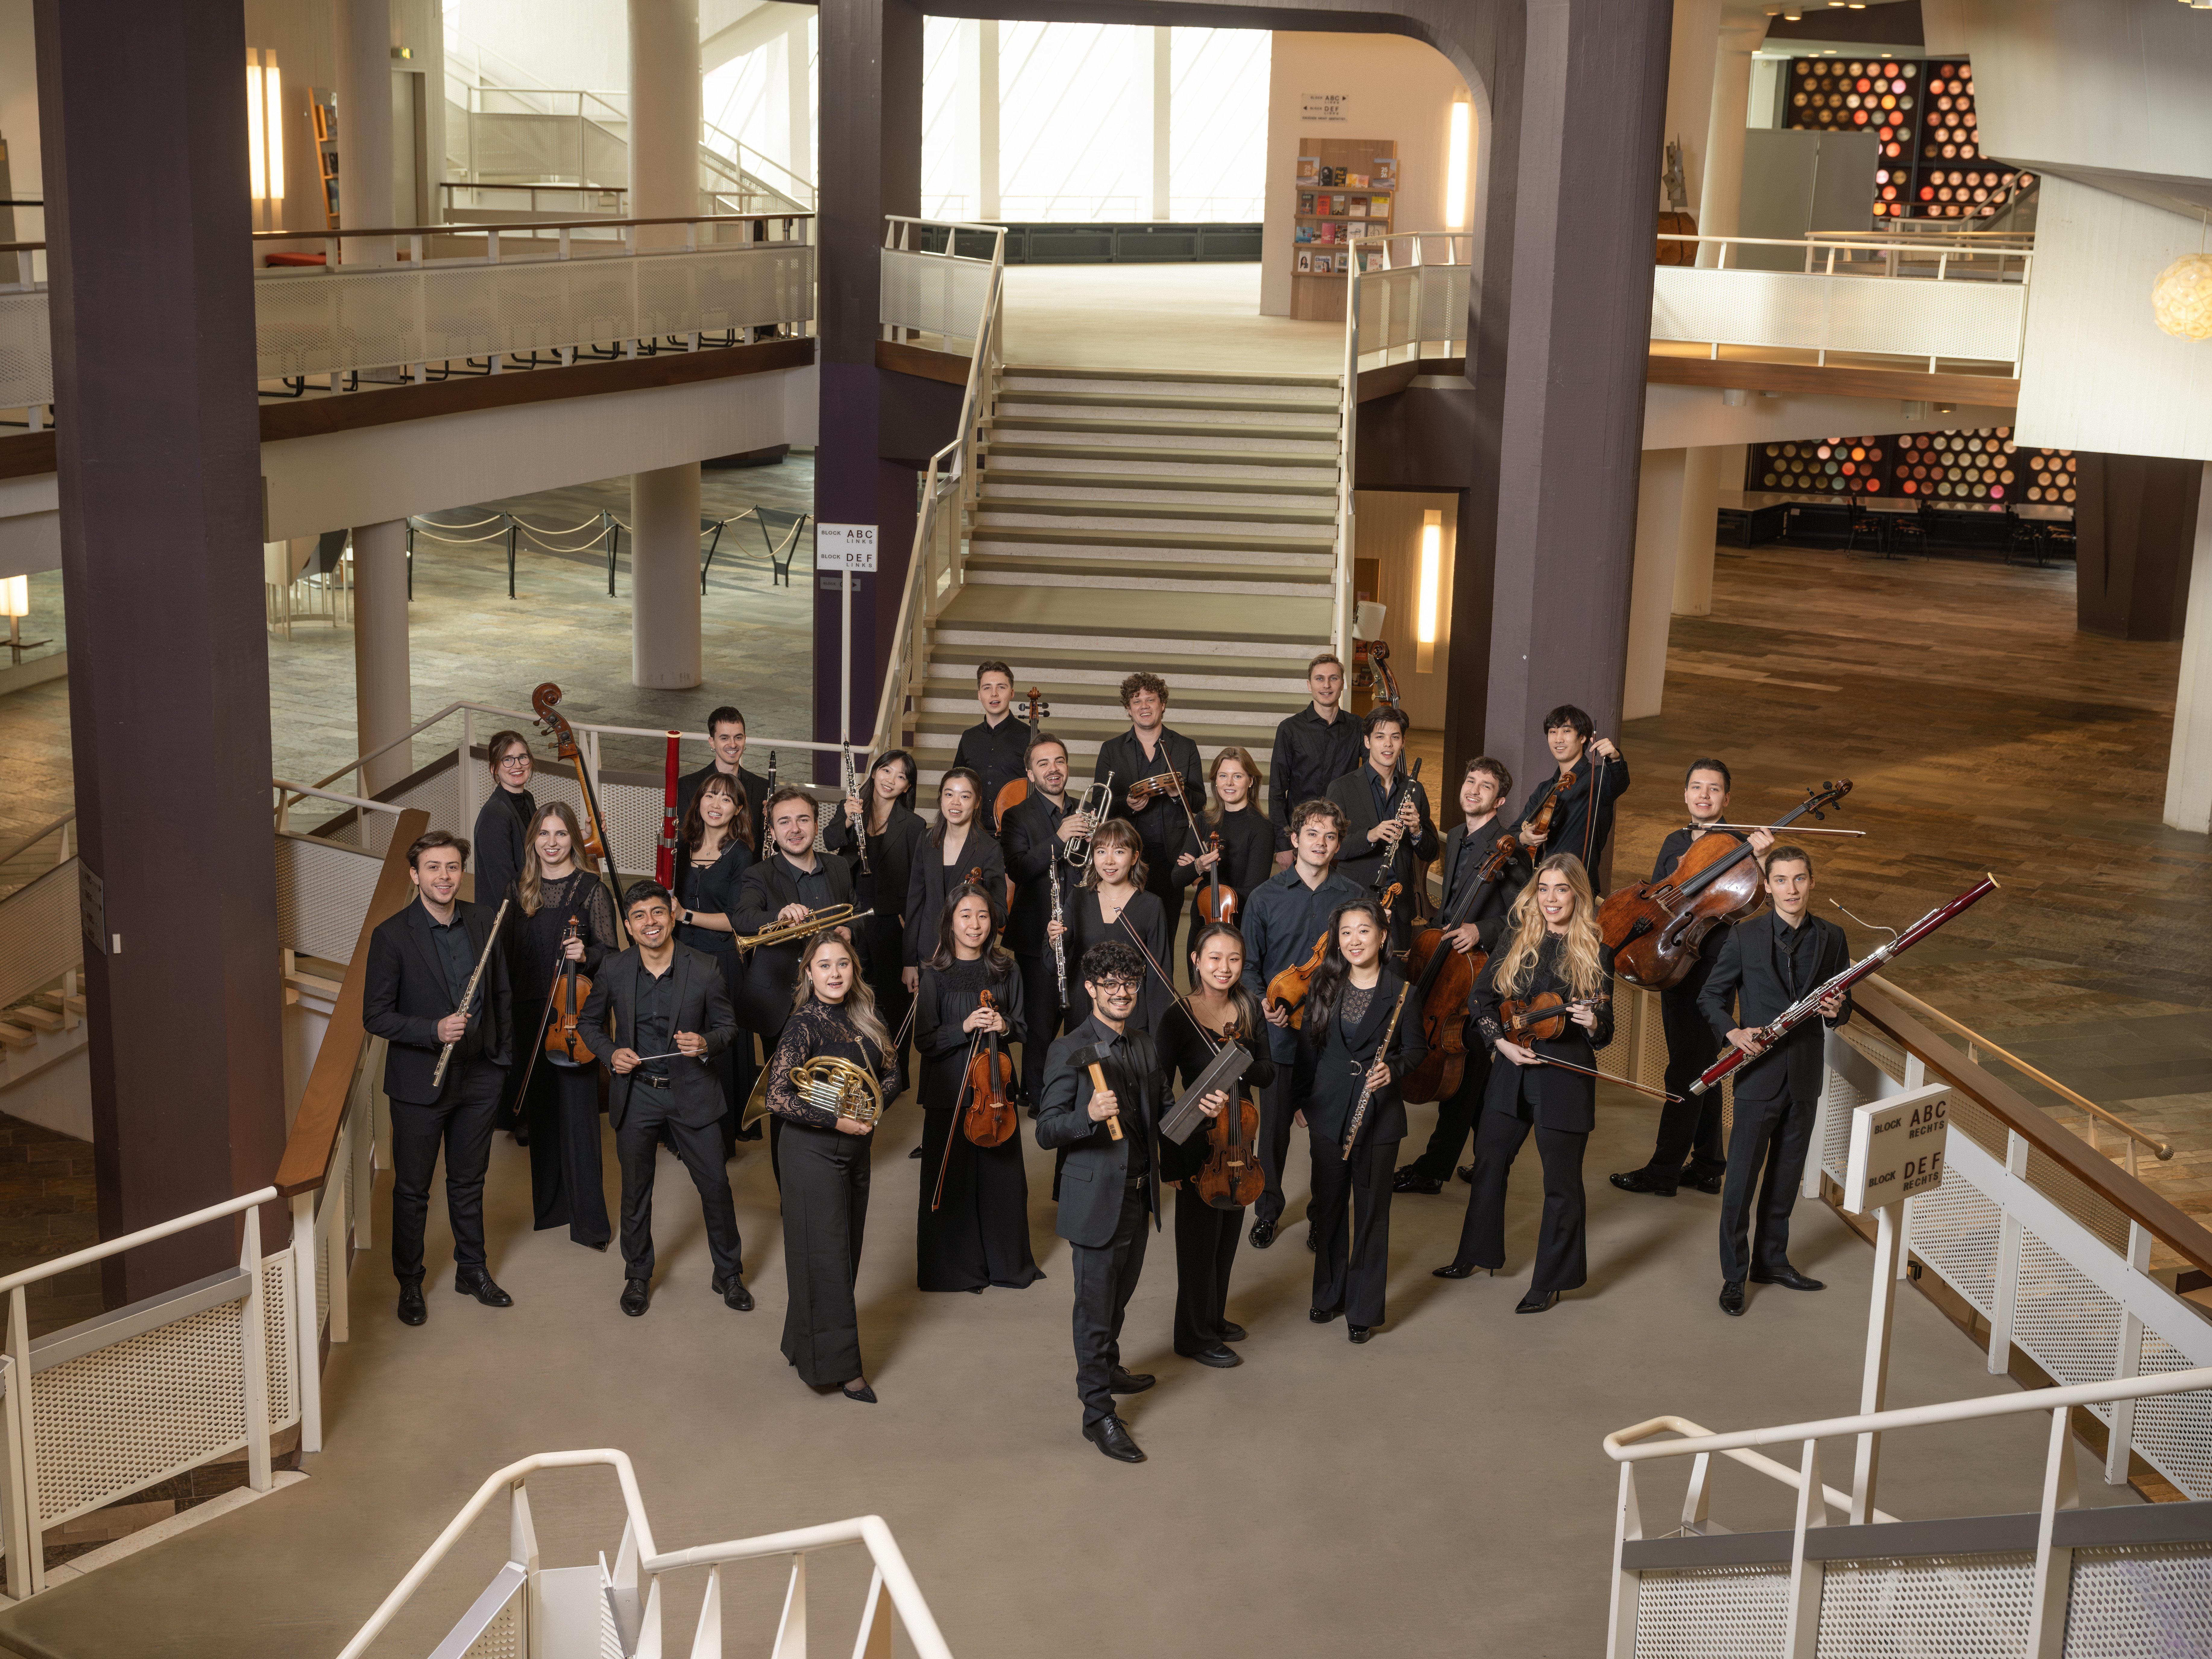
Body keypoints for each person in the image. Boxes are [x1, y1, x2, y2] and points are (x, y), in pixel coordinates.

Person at [1438, 854, 1615, 1314]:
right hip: (1511, 1067)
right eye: (1543, 889)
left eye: (1561, 889)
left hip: (1564, 1078)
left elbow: (1605, 1032)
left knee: (1561, 1183)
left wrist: (1592, 1021)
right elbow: (1482, 1000)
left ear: (1577, 893)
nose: (1551, 898)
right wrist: (1500, 1043)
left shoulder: (1596, 950)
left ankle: (1551, 1280)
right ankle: (1475, 1255)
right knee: (1489, 1161)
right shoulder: (1519, 938)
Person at [361, 830, 515, 1326]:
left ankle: (472, 1269)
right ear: (415, 874)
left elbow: (502, 995)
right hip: (418, 1083)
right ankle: (410, 1281)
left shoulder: (480, 919)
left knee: (469, 1180)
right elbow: (376, 1015)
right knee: (412, 1189)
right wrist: (432, 1029)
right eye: (433, 867)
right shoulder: (391, 935)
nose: (444, 876)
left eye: (452, 867)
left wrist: (501, 1061)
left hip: (479, 1075)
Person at [578, 882, 750, 1317]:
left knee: (715, 1185)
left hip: (692, 1091)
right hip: (637, 1094)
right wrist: (610, 1053)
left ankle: (728, 1273)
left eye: (657, 913)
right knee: (635, 1192)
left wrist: (705, 1042)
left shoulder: (707, 967)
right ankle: (637, 1274)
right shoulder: (614, 970)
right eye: (639, 917)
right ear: (629, 927)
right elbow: (588, 1024)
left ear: (671, 916)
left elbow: (730, 1028)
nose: (650, 923)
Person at [1699, 845, 1851, 1317]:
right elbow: (1710, 997)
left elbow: (1844, 1005)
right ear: (1766, 885)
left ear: (1811, 881)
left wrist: (1836, 1010)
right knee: (1740, 1182)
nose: (1790, 889)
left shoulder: (1832, 936)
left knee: (1785, 1178)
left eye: (1799, 879)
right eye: (1781, 880)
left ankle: (1772, 1261)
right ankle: (1733, 1276)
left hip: (1804, 1074)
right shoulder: (1744, 936)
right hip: (1758, 1077)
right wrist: (1732, 1031)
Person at [1610, 759, 1772, 1199]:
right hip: (1673, 960)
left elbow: (1757, 897)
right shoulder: (1674, 840)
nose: (1703, 796)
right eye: (1696, 788)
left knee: (1684, 1072)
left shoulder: (1739, 846)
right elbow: (1667, 895)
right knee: (1701, 1066)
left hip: (1711, 971)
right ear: (1685, 795)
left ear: (1726, 799)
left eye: (1714, 789)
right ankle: (1707, 1165)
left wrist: (1759, 860)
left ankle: (1662, 1173)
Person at [1036, 940, 1167, 1463]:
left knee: (1119, 1297)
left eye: (1129, 983)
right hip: (1096, 1203)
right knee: (1093, 1310)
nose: (1121, 992)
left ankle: (1108, 1364)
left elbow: (1160, 1110)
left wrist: (1197, 1107)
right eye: (1109, 984)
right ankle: (1097, 1412)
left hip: (1138, 1194)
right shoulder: (1069, 1049)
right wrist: (1088, 1113)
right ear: (1089, 988)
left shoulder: (1143, 1043)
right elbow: (1047, 1129)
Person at [766, 931, 899, 1401]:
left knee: (843, 1254)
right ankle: (845, 1370)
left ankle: (800, 1342)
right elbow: (777, 1096)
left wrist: (871, 1107)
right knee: (824, 1259)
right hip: (809, 1152)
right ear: (809, 974)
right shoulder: (803, 1024)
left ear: (853, 969)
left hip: (855, 1146)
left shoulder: (869, 1016)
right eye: (824, 966)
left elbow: (893, 1072)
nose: (835, 973)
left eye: (842, 964)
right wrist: (839, 1117)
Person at [1396, 757, 1530, 1195]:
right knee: (1472, 1077)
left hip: (1482, 973)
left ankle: (1434, 1169)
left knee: (1465, 1076)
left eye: (1485, 786)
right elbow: (1454, 902)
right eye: (1470, 780)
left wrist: (1481, 931)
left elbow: (1527, 918)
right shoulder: (1454, 835)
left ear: (1501, 799)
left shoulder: (1510, 848)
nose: (1473, 790)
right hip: (1449, 967)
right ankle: (1495, 1156)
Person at [1296, 900, 1425, 1342]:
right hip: (1328, 1109)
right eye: (1345, 932)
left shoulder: (1403, 991)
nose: (1353, 941)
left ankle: (1362, 1309)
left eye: (1363, 931)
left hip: (1378, 1116)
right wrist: (1301, 1100)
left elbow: (1417, 1050)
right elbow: (1307, 1049)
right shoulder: (1323, 986)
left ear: (1383, 936)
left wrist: (1394, 1068)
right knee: (1328, 1208)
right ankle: (1328, 1294)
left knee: (1372, 1215)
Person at [1237, 798, 1360, 1251]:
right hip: (1278, 1036)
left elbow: (1361, 966)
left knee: (1328, 1136)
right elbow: (1248, 966)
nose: (1320, 843)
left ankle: (1320, 1217)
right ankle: (1267, 1211)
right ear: (1294, 839)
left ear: (1338, 845)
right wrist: (1263, 1004)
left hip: (1331, 1039)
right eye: (1312, 834)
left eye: (1330, 836)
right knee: (1272, 1134)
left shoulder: (1352, 898)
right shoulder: (1265, 897)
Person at [912, 884, 1042, 1293]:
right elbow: (925, 1040)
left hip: (994, 1092)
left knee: (1001, 1181)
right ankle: (955, 1269)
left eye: (982, 916)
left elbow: (1023, 1026)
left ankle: (1004, 1264)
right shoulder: (933, 973)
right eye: (965, 915)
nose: (974, 924)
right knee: (950, 1180)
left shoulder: (1007, 969)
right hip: (948, 1092)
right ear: (950, 921)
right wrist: (963, 1027)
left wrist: (1004, 1026)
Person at [1154, 923, 1268, 1368]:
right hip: (1197, 1146)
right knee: (1197, 1246)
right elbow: (1160, 1091)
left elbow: (1268, 1074)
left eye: (1234, 959)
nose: (1224, 968)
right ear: (1196, 961)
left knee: (1225, 1241)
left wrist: (1240, 1061)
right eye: (1214, 958)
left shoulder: (1247, 1011)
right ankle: (1192, 1336)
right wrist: (1173, 1165)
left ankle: (1213, 1317)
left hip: (1237, 1142)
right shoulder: (1177, 1017)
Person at [510, 802, 619, 1251]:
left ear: (573, 838)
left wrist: (586, 956)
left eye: (560, 834)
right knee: (542, 1116)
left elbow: (613, 956)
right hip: (531, 1015)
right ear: (533, 840)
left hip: (573, 1018)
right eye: (544, 835)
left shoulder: (591, 889)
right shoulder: (523, 890)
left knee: (577, 1119)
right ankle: (552, 1209)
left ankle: (588, 1222)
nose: (551, 843)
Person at [824, 748, 927, 1090]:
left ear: (906, 787)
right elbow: (829, 841)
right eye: (886, 770)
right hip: (851, 916)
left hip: (889, 921)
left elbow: (918, 881)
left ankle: (892, 1075)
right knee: (851, 995)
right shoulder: (851, 806)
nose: (890, 780)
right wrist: (850, 819)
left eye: (900, 777)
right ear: (875, 772)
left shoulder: (914, 825)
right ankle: (852, 1069)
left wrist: (907, 922)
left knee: (890, 999)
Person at [1000, 733, 1093, 1103]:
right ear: (1030, 773)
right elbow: (1019, 868)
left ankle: (1074, 1092)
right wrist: (1058, 838)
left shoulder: (1085, 811)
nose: (1053, 770)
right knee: (1040, 1022)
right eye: (1043, 763)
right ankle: (1036, 1097)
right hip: (1037, 931)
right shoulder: (1016, 816)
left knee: (1081, 1016)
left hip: (1083, 927)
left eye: (1059, 761)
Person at [672, 772, 757, 1154]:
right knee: (685, 1038)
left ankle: (721, 1135)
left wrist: (685, 915)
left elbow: (737, 919)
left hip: (722, 959)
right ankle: (684, 1129)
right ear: (699, 801)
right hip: (682, 955)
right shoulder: (682, 845)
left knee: (718, 1044)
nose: (716, 804)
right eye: (710, 795)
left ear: (738, 809)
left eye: (726, 799)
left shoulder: (741, 854)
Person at [1093, 672, 1204, 923]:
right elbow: (1099, 800)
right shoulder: (1112, 749)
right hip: (1126, 857)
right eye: (1136, 701)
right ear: (1129, 709)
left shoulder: (1186, 747)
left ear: (1162, 705)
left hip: (1171, 857)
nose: (1144, 706)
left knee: (1166, 927)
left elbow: (1200, 801)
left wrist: (1179, 795)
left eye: (1150, 700)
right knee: (1127, 928)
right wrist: (1127, 805)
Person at [1326, 705, 1438, 945]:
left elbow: (1431, 852)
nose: (1388, 744)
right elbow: (1331, 847)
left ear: (1403, 743)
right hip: (1356, 897)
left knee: (1395, 973)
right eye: (1380, 737)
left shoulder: (1415, 789)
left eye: (1395, 737)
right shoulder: (1342, 788)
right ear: (1367, 742)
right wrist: (1371, 836)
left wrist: (1417, 831)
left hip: (1400, 902)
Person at [1052, 817, 1174, 1035]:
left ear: (1135, 856)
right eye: (1101, 852)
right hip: (1084, 1012)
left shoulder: (1152, 905)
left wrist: (1157, 1040)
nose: (1109, 861)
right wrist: (1053, 942)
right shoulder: (1078, 897)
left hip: (1131, 1015)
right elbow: (1055, 964)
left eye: (1119, 852)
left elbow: (1161, 979)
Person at [474, 730, 537, 1140]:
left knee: (528, 1019)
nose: (518, 766)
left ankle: (527, 1104)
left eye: (523, 757)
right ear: (494, 769)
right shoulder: (495, 815)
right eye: (508, 760)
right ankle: (514, 1114)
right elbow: (506, 888)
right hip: (509, 930)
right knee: (514, 1019)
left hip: (528, 919)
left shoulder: (527, 801)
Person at [904, 766, 1006, 973]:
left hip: (969, 957)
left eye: (965, 796)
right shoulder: (926, 840)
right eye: (949, 794)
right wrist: (909, 961)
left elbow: (1001, 914)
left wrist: (975, 913)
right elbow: (915, 902)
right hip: (928, 954)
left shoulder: (989, 849)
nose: (955, 803)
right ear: (941, 798)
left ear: (977, 802)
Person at [1177, 747, 1275, 962]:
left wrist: (1203, 884)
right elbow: (1176, 878)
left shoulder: (1262, 828)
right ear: (1216, 781)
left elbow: (1252, 892)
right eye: (1223, 776)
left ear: (1251, 781)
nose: (1229, 783)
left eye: (1237, 776)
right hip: (1201, 925)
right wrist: (1199, 868)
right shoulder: (1203, 820)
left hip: (1238, 927)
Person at [1518, 704, 1629, 891]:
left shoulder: (1598, 778)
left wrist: (1615, 758)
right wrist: (1524, 837)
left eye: (1566, 731)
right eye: (1553, 732)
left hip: (1578, 884)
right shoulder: (1546, 788)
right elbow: (1516, 830)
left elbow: (1619, 782)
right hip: (1541, 883)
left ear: (1583, 737)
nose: (1558, 739)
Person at [1268, 653, 1362, 867]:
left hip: (1343, 836)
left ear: (1343, 684)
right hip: (1301, 836)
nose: (1327, 685)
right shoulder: (1289, 729)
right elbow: (1276, 791)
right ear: (1309, 685)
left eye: (1334, 678)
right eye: (1320, 679)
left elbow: (1372, 778)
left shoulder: (1358, 727)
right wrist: (1283, 845)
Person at [677, 705, 772, 852]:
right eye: (725, 738)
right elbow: (685, 841)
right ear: (712, 742)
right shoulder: (688, 786)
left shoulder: (763, 788)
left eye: (738, 738)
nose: (733, 745)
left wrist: (775, 820)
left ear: (745, 739)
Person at [952, 660, 1030, 833]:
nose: (994, 694)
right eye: (987, 688)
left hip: (1015, 833)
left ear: (1012, 693)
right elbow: (955, 783)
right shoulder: (969, 737)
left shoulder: (1029, 737)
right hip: (972, 831)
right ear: (979, 695)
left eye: (1001, 687)